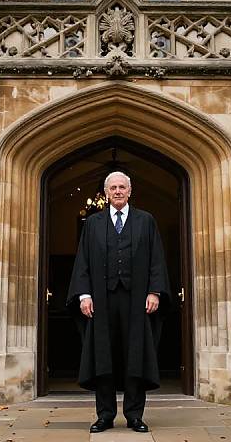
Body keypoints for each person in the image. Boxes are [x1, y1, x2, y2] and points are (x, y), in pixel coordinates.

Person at [66, 171, 171, 433]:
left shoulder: (146, 221)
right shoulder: (92, 224)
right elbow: (83, 261)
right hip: (101, 300)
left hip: (137, 301)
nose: (118, 191)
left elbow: (156, 259)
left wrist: (155, 292)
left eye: (122, 187)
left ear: (130, 191)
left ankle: (134, 415)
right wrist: (84, 294)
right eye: (113, 188)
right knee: (103, 357)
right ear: (106, 192)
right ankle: (105, 415)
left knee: (136, 356)